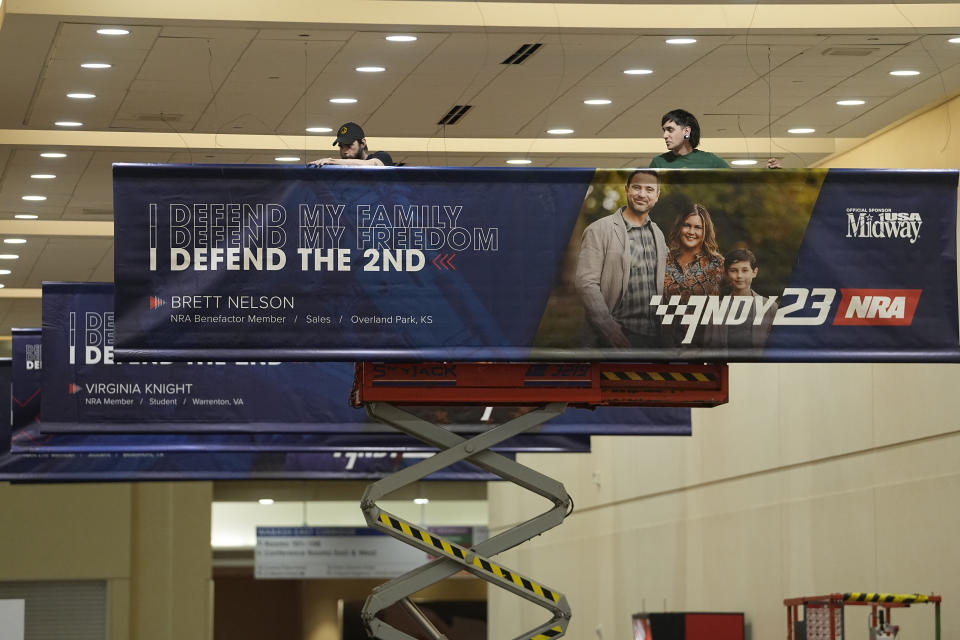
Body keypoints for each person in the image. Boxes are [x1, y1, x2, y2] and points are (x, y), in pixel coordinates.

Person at [575, 170, 668, 348]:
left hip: (655, 340)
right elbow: (586, 283)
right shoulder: (599, 230)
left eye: (649, 189)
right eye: (636, 187)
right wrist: (609, 329)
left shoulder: (658, 234)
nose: (642, 194)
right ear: (626, 190)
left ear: (657, 196)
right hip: (616, 338)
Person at [662, 203, 725, 346]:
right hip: (665, 347)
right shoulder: (664, 260)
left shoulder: (719, 265)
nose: (691, 231)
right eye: (687, 225)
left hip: (703, 350)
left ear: (705, 231)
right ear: (679, 227)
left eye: (698, 227)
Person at [650, 109, 781, 169]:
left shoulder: (710, 161)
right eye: (664, 130)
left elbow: (738, 184)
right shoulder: (658, 163)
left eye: (670, 130)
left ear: (686, 131)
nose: (665, 135)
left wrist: (770, 174)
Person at [721, 247, 777, 349]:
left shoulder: (770, 307)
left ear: (754, 272)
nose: (739, 276)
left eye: (745, 270)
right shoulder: (716, 307)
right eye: (734, 270)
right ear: (726, 274)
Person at [310, 122, 393, 166]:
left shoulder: (382, 157)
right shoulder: (338, 170)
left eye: (349, 145)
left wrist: (331, 161)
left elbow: (371, 165)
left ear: (363, 143)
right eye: (341, 146)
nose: (345, 151)